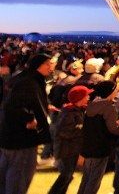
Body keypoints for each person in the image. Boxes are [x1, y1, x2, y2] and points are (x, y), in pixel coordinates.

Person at [0, 51, 56, 194]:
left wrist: (43, 107)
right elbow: (13, 105)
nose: (51, 68)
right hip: (21, 139)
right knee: (19, 176)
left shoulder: (23, 78)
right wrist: (30, 119)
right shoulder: (30, 82)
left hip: (9, 137)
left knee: (6, 173)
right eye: (48, 64)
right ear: (39, 66)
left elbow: (17, 101)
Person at [77, 81, 119, 194]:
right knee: (94, 180)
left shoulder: (91, 105)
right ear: (110, 92)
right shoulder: (108, 107)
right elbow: (114, 129)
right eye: (115, 89)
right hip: (101, 148)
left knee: (86, 178)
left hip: (88, 146)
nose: (116, 91)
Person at [48, 85, 90, 194]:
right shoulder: (69, 112)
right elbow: (64, 131)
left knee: (68, 175)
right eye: (86, 95)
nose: (88, 97)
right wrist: (81, 131)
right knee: (66, 175)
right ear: (79, 98)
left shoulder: (79, 110)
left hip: (73, 148)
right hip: (66, 149)